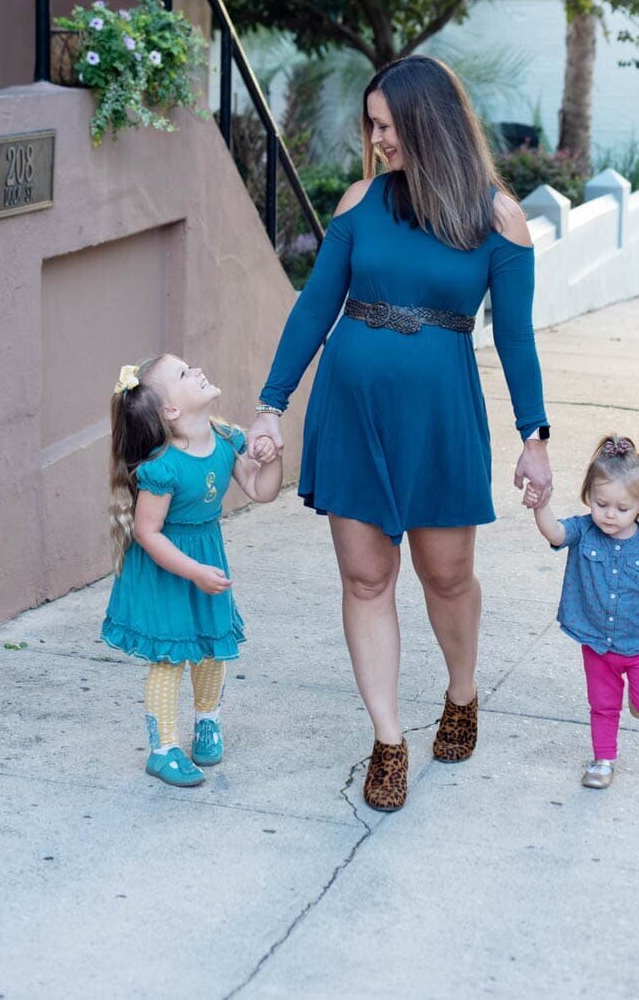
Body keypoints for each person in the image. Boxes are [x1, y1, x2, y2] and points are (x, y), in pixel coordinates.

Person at [247, 55, 552, 811]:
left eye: (385, 125)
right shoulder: (359, 202)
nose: (376, 139)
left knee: (445, 574)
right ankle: (387, 739)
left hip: (441, 418)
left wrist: (534, 433)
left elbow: (514, 338)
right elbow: (314, 307)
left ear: (425, 122)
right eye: (371, 125)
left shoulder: (495, 218)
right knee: (364, 578)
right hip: (350, 411)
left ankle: (462, 690)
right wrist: (270, 404)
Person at [102, 354, 282, 786]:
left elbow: (260, 490)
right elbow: (149, 533)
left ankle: (207, 721)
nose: (198, 370)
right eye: (184, 374)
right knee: (171, 656)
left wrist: (272, 458)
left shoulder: (224, 439)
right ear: (171, 411)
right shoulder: (163, 468)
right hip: (169, 566)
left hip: (205, 558)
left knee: (210, 646)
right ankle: (163, 749)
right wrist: (194, 571)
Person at [525, 433, 639, 790]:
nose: (609, 515)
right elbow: (554, 533)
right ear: (590, 498)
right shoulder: (584, 531)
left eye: (622, 508)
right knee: (602, 704)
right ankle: (602, 760)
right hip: (597, 642)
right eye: (601, 504)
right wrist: (540, 505)